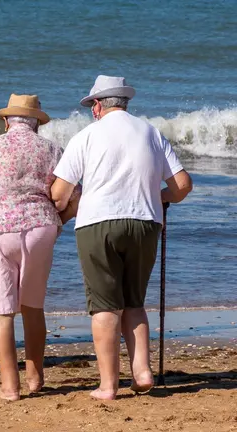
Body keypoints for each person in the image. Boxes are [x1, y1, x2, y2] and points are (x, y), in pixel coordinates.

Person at [51, 75, 193, 400]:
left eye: (91, 106)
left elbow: (59, 194)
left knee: (105, 306)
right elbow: (182, 186)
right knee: (134, 301)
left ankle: (108, 385)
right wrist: (159, 197)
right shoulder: (151, 132)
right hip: (145, 222)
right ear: (124, 102)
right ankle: (142, 372)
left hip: (98, 223)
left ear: (97, 105)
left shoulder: (86, 135)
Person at [0, 94, 79, 401]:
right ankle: (35, 377)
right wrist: (57, 221)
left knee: (1, 311)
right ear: (37, 123)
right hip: (40, 227)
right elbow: (73, 197)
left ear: (6, 122)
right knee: (33, 306)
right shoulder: (53, 149)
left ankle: (10, 387)